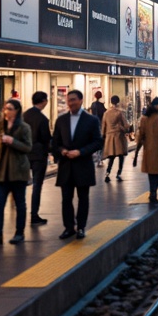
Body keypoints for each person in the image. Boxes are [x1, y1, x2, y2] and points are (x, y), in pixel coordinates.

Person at [51, 89, 103, 239]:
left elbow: (98, 142)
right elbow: (55, 142)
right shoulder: (61, 120)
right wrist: (62, 151)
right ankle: (68, 227)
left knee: (83, 197)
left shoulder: (91, 120)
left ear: (80, 100)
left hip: (83, 164)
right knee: (66, 198)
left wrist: (81, 152)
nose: (70, 103)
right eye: (69, 100)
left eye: (73, 100)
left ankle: (81, 227)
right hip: (66, 165)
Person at [0, 99, 33, 247]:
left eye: (10, 109)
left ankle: (19, 233)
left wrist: (13, 141)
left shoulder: (24, 127)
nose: (7, 111)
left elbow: (28, 147)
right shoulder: (1, 126)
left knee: (20, 203)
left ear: (17, 111)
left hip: (18, 171)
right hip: (1, 171)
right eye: (5, 108)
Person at [23, 91, 52, 225]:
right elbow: (46, 139)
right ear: (44, 101)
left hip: (24, 154)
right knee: (37, 185)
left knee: (21, 186)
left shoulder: (24, 116)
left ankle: (21, 214)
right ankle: (34, 215)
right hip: (39, 155)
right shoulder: (43, 119)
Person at [137, 97, 158, 205]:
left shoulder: (144, 118)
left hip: (147, 149)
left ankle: (152, 191)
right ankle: (153, 192)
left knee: (151, 172)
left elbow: (140, 135)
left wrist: (138, 149)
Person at [102, 96, 132, 183]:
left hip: (109, 137)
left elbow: (104, 125)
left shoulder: (106, 113)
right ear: (118, 102)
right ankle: (118, 173)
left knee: (111, 157)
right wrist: (127, 129)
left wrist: (103, 135)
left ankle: (107, 173)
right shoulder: (119, 113)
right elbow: (125, 124)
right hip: (119, 136)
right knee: (121, 156)